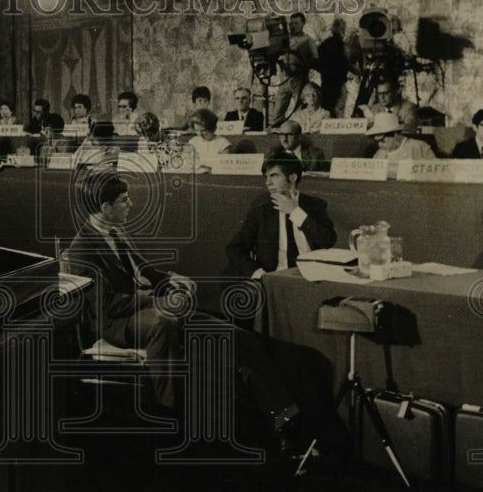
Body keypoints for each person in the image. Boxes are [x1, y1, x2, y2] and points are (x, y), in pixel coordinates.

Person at [65, 171, 338, 447]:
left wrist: (171, 278)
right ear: (105, 208)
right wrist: (157, 298)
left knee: (244, 342)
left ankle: (285, 425)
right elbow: (107, 304)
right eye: (124, 200)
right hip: (119, 323)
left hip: (157, 312)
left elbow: (142, 269)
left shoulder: (116, 232)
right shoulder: (80, 250)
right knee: (166, 321)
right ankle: (167, 414)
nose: (131, 204)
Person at [224, 147, 338, 277]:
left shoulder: (314, 205)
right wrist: (259, 275)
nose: (268, 183)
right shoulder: (261, 209)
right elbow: (234, 248)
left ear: (292, 178)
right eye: (266, 177)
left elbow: (328, 241)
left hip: (311, 277)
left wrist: (296, 212)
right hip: (275, 277)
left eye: (274, 176)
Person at [366, 111, 434, 177]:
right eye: (377, 141)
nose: (380, 145)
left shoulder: (419, 147)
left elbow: (435, 174)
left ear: (396, 134)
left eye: (382, 140)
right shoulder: (379, 154)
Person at [317, 17, 348, 115]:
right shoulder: (338, 44)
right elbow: (343, 63)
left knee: (327, 106)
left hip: (326, 80)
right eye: (342, 28)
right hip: (336, 81)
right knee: (336, 107)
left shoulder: (324, 44)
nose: (343, 30)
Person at [269, 51, 309, 128]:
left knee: (299, 107)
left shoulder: (303, 42)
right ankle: (276, 129)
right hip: (284, 79)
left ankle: (299, 128)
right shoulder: (278, 43)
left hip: (298, 79)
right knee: (277, 112)